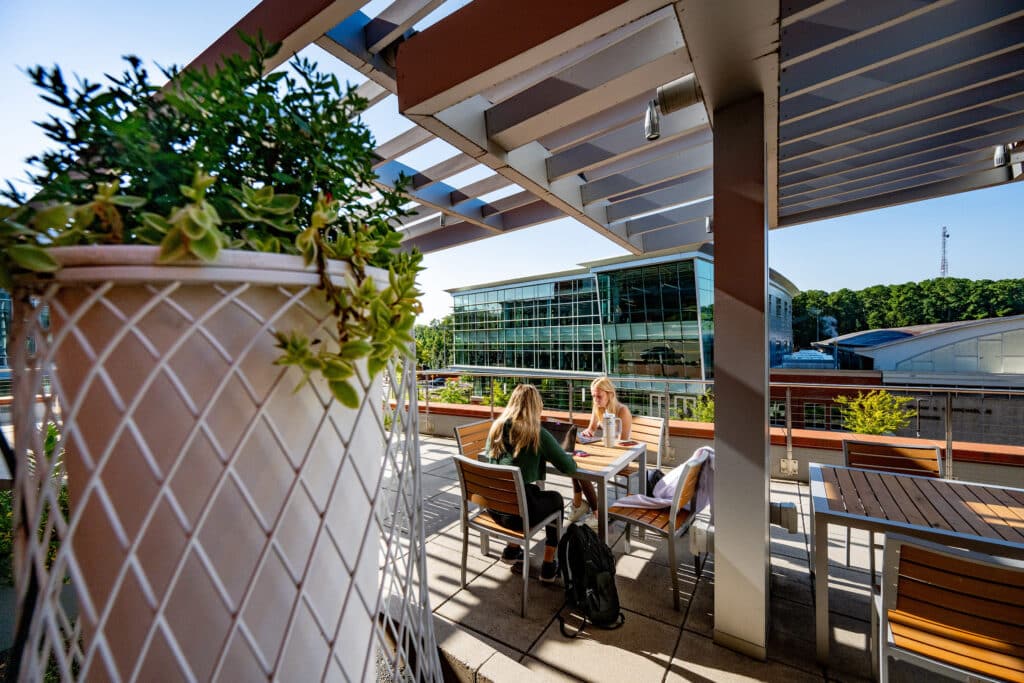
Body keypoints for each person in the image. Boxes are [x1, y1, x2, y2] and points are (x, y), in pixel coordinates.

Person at [485, 384, 577, 582]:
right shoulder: (536, 433)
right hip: (518, 516)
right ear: (536, 406)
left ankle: (512, 549)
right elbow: (569, 467)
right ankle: (548, 565)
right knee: (555, 499)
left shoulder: (496, 428)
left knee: (522, 494)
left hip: (493, 507)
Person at [568, 376, 633, 524]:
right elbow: (591, 429)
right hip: (605, 452)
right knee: (573, 462)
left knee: (581, 468)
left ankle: (592, 511)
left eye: (599, 396)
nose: (595, 400)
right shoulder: (598, 407)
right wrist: (586, 433)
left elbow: (624, 443)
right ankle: (583, 506)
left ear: (610, 394)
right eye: (593, 396)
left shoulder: (623, 411)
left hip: (621, 457)